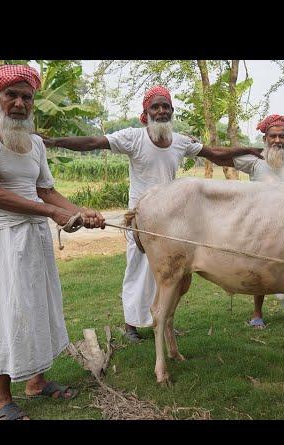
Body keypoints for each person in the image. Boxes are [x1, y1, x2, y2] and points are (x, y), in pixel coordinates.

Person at [42, 85, 263, 343]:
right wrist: (55, 142)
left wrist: (244, 150)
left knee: (174, 272)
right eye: (155, 107)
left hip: (170, 219)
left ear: (171, 111)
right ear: (146, 113)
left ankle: (164, 322)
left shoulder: (180, 141)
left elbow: (214, 154)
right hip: (140, 217)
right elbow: (93, 142)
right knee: (137, 269)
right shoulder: (133, 138)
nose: (161, 111)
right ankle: (131, 325)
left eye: (165, 107)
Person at [0, 64, 106, 420]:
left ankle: (37, 382)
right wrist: (50, 213)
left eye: (27, 97)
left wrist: (82, 211)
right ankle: (0, 399)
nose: (20, 103)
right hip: (6, 236)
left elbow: (46, 190)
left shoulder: (35, 143)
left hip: (36, 233)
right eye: (11, 95)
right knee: (11, 310)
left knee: (40, 305)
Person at [213, 114, 284, 328]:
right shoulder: (254, 162)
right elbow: (220, 157)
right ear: (265, 139)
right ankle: (257, 314)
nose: (277, 140)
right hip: (259, 226)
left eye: (282, 136)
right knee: (260, 269)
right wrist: (245, 149)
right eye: (273, 136)